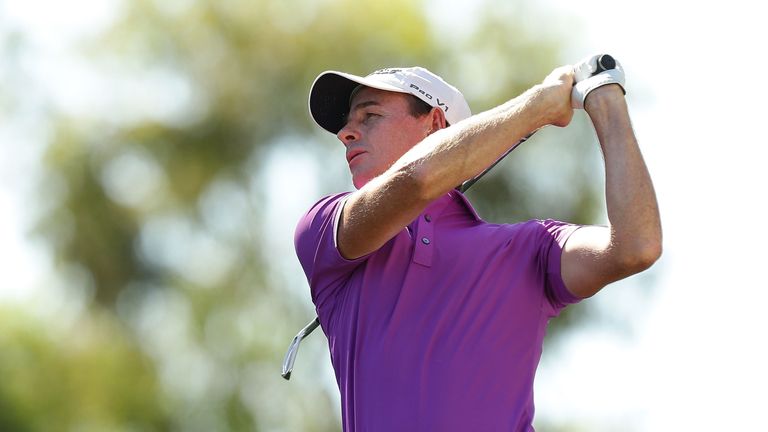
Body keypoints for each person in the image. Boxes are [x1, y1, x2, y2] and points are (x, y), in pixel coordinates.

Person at [294, 59, 662, 431]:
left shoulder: (530, 248)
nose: (346, 133)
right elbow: (416, 180)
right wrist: (537, 107)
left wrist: (606, 99)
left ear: (435, 126)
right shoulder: (324, 228)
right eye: (347, 124)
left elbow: (635, 246)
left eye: (369, 116)